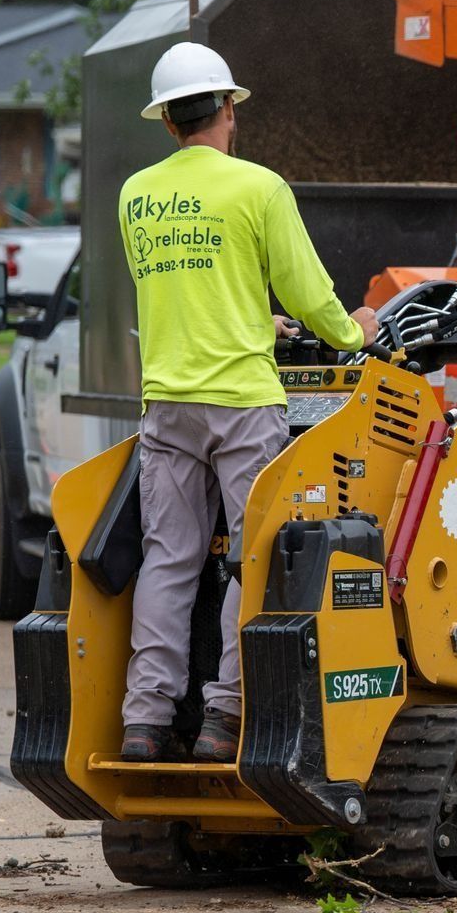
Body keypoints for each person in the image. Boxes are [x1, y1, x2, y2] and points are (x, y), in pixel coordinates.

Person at [118, 41, 379, 762]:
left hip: (167, 403)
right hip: (242, 404)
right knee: (251, 561)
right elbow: (309, 294)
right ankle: (223, 719)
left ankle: (144, 719)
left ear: (168, 122)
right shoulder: (260, 188)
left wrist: (248, 316)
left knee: (168, 560)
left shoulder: (135, 196)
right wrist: (350, 331)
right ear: (228, 109)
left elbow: (176, 286)